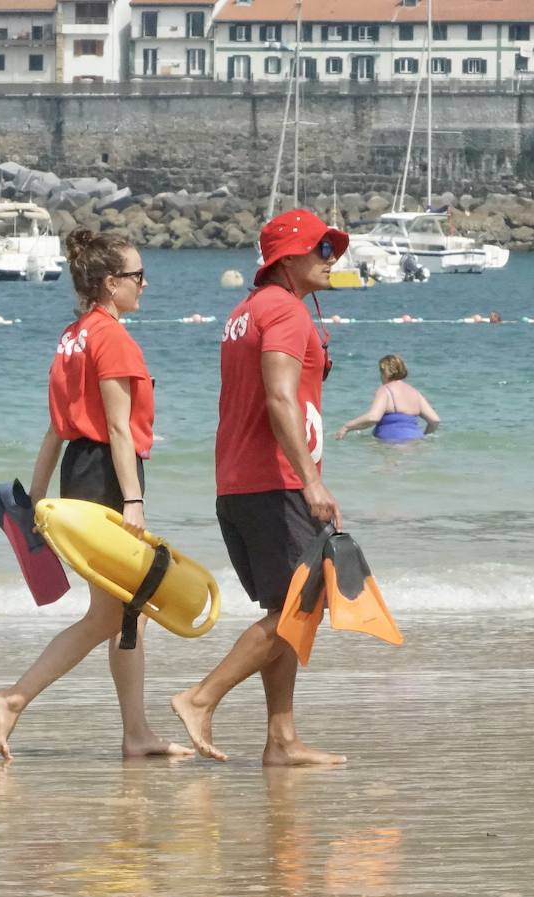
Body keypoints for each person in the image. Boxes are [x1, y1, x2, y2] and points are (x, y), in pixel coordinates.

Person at [0, 228, 190, 761]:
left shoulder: (72, 336)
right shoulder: (112, 338)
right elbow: (120, 431)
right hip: (106, 479)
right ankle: (15, 698)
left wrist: (34, 497)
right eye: (136, 276)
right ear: (109, 283)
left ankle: (136, 733)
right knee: (111, 615)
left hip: (78, 472)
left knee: (130, 612)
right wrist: (133, 503)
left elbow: (56, 427)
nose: (144, 284)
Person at [171, 208, 348, 766]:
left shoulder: (246, 311)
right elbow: (278, 398)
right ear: (289, 257)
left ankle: (281, 740)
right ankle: (201, 698)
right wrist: (313, 482)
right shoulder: (286, 312)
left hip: (240, 480)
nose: (331, 260)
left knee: (286, 604)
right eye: (321, 250)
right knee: (304, 607)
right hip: (277, 482)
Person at [335, 354, 441, 442]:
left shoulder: (385, 390)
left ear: (385, 372)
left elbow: (373, 417)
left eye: (381, 372)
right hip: (415, 441)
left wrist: (347, 427)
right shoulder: (415, 392)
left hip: (392, 443)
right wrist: (422, 437)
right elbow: (435, 420)